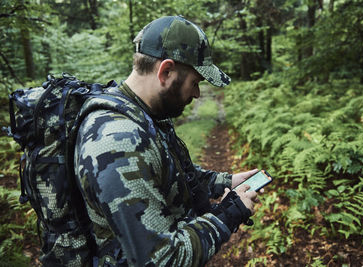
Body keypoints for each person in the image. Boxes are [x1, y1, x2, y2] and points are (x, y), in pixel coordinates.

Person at [74, 15, 262, 266]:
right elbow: (162, 259)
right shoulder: (118, 144)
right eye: (195, 82)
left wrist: (226, 181)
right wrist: (229, 213)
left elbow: (169, 174)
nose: (197, 94)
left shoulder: (144, 114)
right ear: (166, 71)